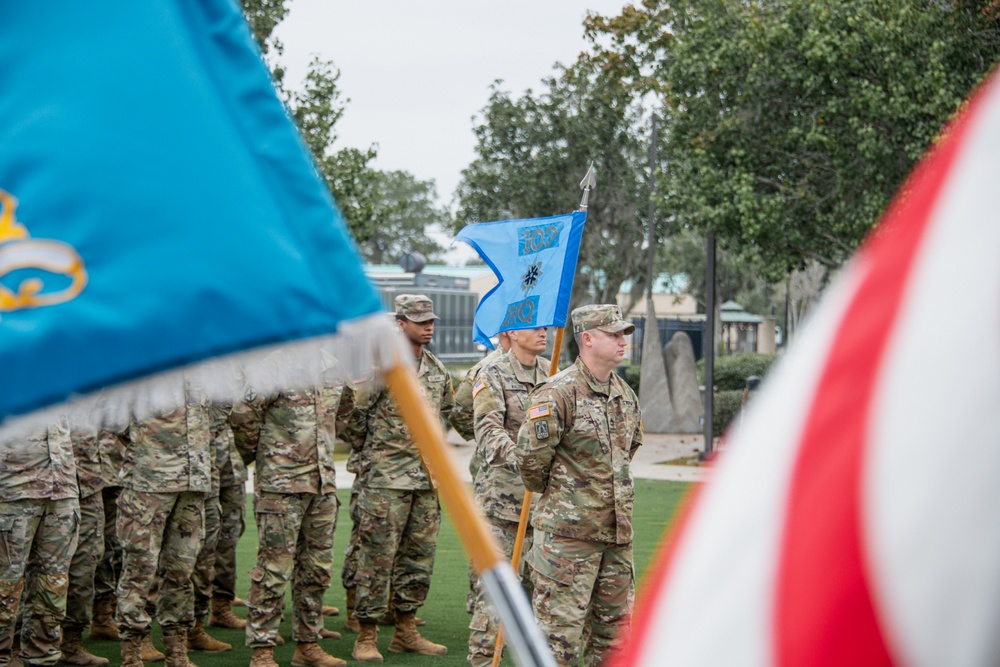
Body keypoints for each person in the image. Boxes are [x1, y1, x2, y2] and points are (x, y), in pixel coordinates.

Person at [515, 305, 643, 667]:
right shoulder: (557, 393)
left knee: (615, 640)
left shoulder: (625, 394)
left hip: (616, 539)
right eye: (614, 334)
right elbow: (530, 461)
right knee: (558, 640)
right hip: (567, 543)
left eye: (623, 334)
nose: (622, 341)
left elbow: (628, 450)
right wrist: (568, 498)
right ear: (587, 339)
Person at [349, 294, 455, 663]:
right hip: (385, 480)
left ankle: (406, 631)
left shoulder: (437, 370)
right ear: (399, 323)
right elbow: (352, 419)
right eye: (419, 320)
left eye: (430, 320)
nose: (428, 326)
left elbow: (445, 414)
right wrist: (373, 457)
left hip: (426, 481)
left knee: (418, 559)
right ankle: (366, 635)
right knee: (376, 559)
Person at [234, 352, 351, 667]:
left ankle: (308, 645)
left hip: (323, 483)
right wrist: (269, 456)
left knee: (316, 569)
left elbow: (345, 409)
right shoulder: (273, 365)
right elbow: (243, 417)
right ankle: (262, 650)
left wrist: (323, 445)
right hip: (281, 485)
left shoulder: (333, 364)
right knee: (273, 570)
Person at [467, 328, 550, 666]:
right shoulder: (492, 374)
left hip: (543, 507)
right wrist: (527, 461)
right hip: (502, 505)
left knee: (539, 601)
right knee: (496, 600)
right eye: (535, 326)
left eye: (546, 325)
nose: (544, 331)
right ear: (513, 333)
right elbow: (488, 433)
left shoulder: (554, 373)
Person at [115, 381, 211, 667]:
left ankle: (177, 654)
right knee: (139, 570)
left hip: (193, 483)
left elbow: (218, 414)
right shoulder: (143, 361)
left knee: (182, 571)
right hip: (149, 482)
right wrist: (149, 443)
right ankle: (132, 654)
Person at [0, 420, 80, 667]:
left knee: (53, 583)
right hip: (12, 489)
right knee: (5, 583)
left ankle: (42, 656)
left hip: (62, 489)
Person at [61, 428, 121, 667]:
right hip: (32, 483)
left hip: (90, 482)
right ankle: (16, 645)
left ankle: (71, 642)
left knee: (87, 564)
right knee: (31, 567)